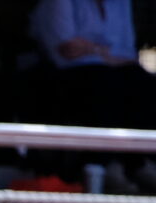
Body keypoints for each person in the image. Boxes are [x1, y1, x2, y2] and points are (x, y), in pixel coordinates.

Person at [30, 0, 156, 188]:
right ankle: (104, 164)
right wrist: (104, 53)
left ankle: (139, 162)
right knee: (104, 82)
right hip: (61, 76)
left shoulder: (121, 3)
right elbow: (66, 50)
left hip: (114, 72)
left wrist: (92, 49)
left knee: (142, 82)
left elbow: (127, 53)